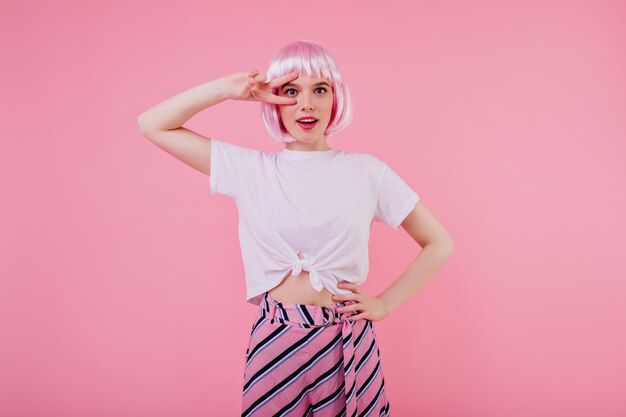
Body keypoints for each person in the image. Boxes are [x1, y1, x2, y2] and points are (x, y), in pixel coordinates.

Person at [137, 39, 454, 417]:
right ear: (273, 99)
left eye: (319, 89)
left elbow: (439, 243)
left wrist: (385, 304)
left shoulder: (367, 172)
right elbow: (152, 124)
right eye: (290, 91)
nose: (306, 103)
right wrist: (227, 89)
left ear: (335, 97)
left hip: (345, 340)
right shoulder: (251, 170)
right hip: (276, 338)